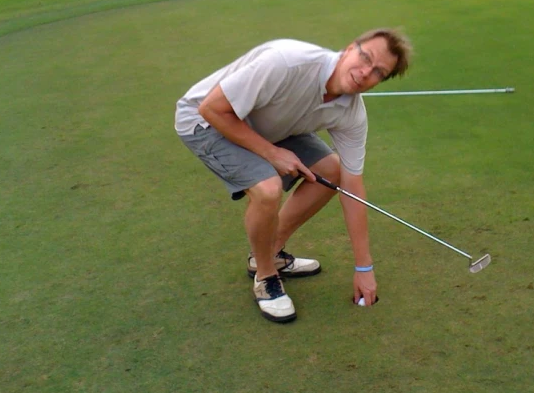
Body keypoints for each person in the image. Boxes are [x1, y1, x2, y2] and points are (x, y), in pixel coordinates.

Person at [175, 30, 413, 323]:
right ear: (350, 48)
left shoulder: (351, 113)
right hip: (204, 121)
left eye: (378, 72)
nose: (365, 72)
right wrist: (271, 153)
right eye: (365, 57)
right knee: (268, 189)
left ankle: (270, 252)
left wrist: (364, 268)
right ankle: (265, 276)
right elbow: (211, 108)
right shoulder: (288, 62)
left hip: (265, 125)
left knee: (332, 170)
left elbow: (352, 187)